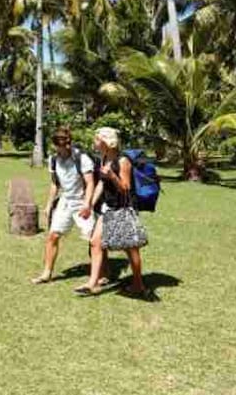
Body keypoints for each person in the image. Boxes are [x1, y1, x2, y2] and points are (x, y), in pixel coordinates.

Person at [78, 126, 149, 297]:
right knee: (95, 242)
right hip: (108, 208)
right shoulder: (104, 158)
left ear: (106, 142)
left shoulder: (122, 161)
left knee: (130, 248)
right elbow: (101, 184)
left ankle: (138, 285)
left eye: (97, 139)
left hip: (123, 208)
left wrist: (112, 176)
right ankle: (93, 283)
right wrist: (89, 204)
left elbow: (125, 188)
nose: (94, 142)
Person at [30, 126, 97, 284]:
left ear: (69, 142)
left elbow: (90, 183)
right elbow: (55, 184)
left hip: (81, 201)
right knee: (53, 236)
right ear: (55, 144)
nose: (63, 148)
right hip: (65, 202)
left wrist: (87, 205)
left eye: (65, 144)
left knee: (93, 240)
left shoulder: (82, 158)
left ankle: (101, 273)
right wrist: (48, 205)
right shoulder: (53, 160)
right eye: (59, 145)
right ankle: (47, 273)